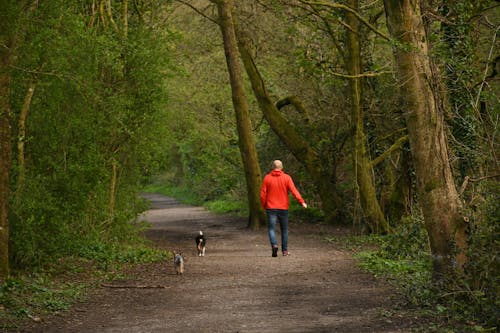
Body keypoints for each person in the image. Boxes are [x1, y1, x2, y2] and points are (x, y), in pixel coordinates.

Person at [260, 160, 307, 257]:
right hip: (283, 208)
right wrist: (301, 201)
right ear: (282, 167)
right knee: (284, 229)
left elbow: (263, 194)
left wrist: (264, 205)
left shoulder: (267, 178)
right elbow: (294, 190)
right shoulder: (287, 178)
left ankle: (274, 244)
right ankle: (285, 251)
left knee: (271, 229)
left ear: (272, 167)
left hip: (271, 207)